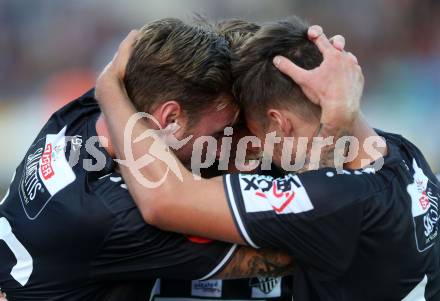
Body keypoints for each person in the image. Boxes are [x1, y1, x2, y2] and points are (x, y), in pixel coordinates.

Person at [95, 18, 440, 300]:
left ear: (278, 123)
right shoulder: (401, 154)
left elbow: (164, 199)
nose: (248, 154)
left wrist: (109, 88)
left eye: (254, 136)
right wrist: (337, 115)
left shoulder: (333, 200)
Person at [0, 18, 299, 301]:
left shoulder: (83, 114)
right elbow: (291, 252)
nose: (221, 150)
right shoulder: (120, 214)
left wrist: (107, 84)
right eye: (221, 132)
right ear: (169, 118)